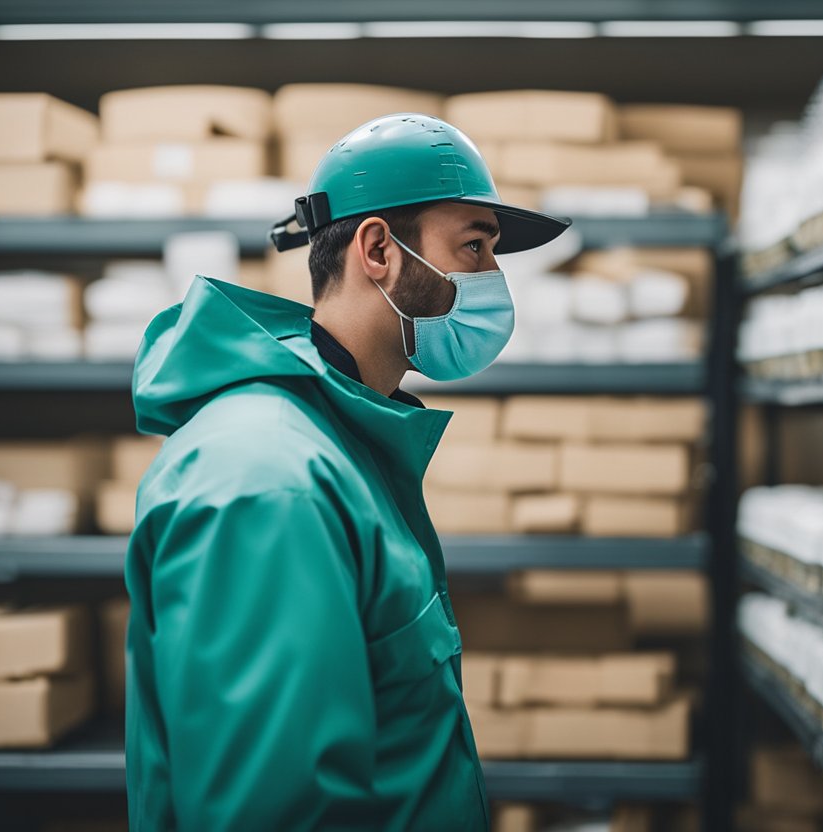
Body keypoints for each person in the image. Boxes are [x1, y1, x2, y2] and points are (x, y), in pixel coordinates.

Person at [124, 113, 571, 830]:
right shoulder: (268, 483)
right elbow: (271, 811)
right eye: (475, 246)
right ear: (378, 251)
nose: (493, 277)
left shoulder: (344, 443)